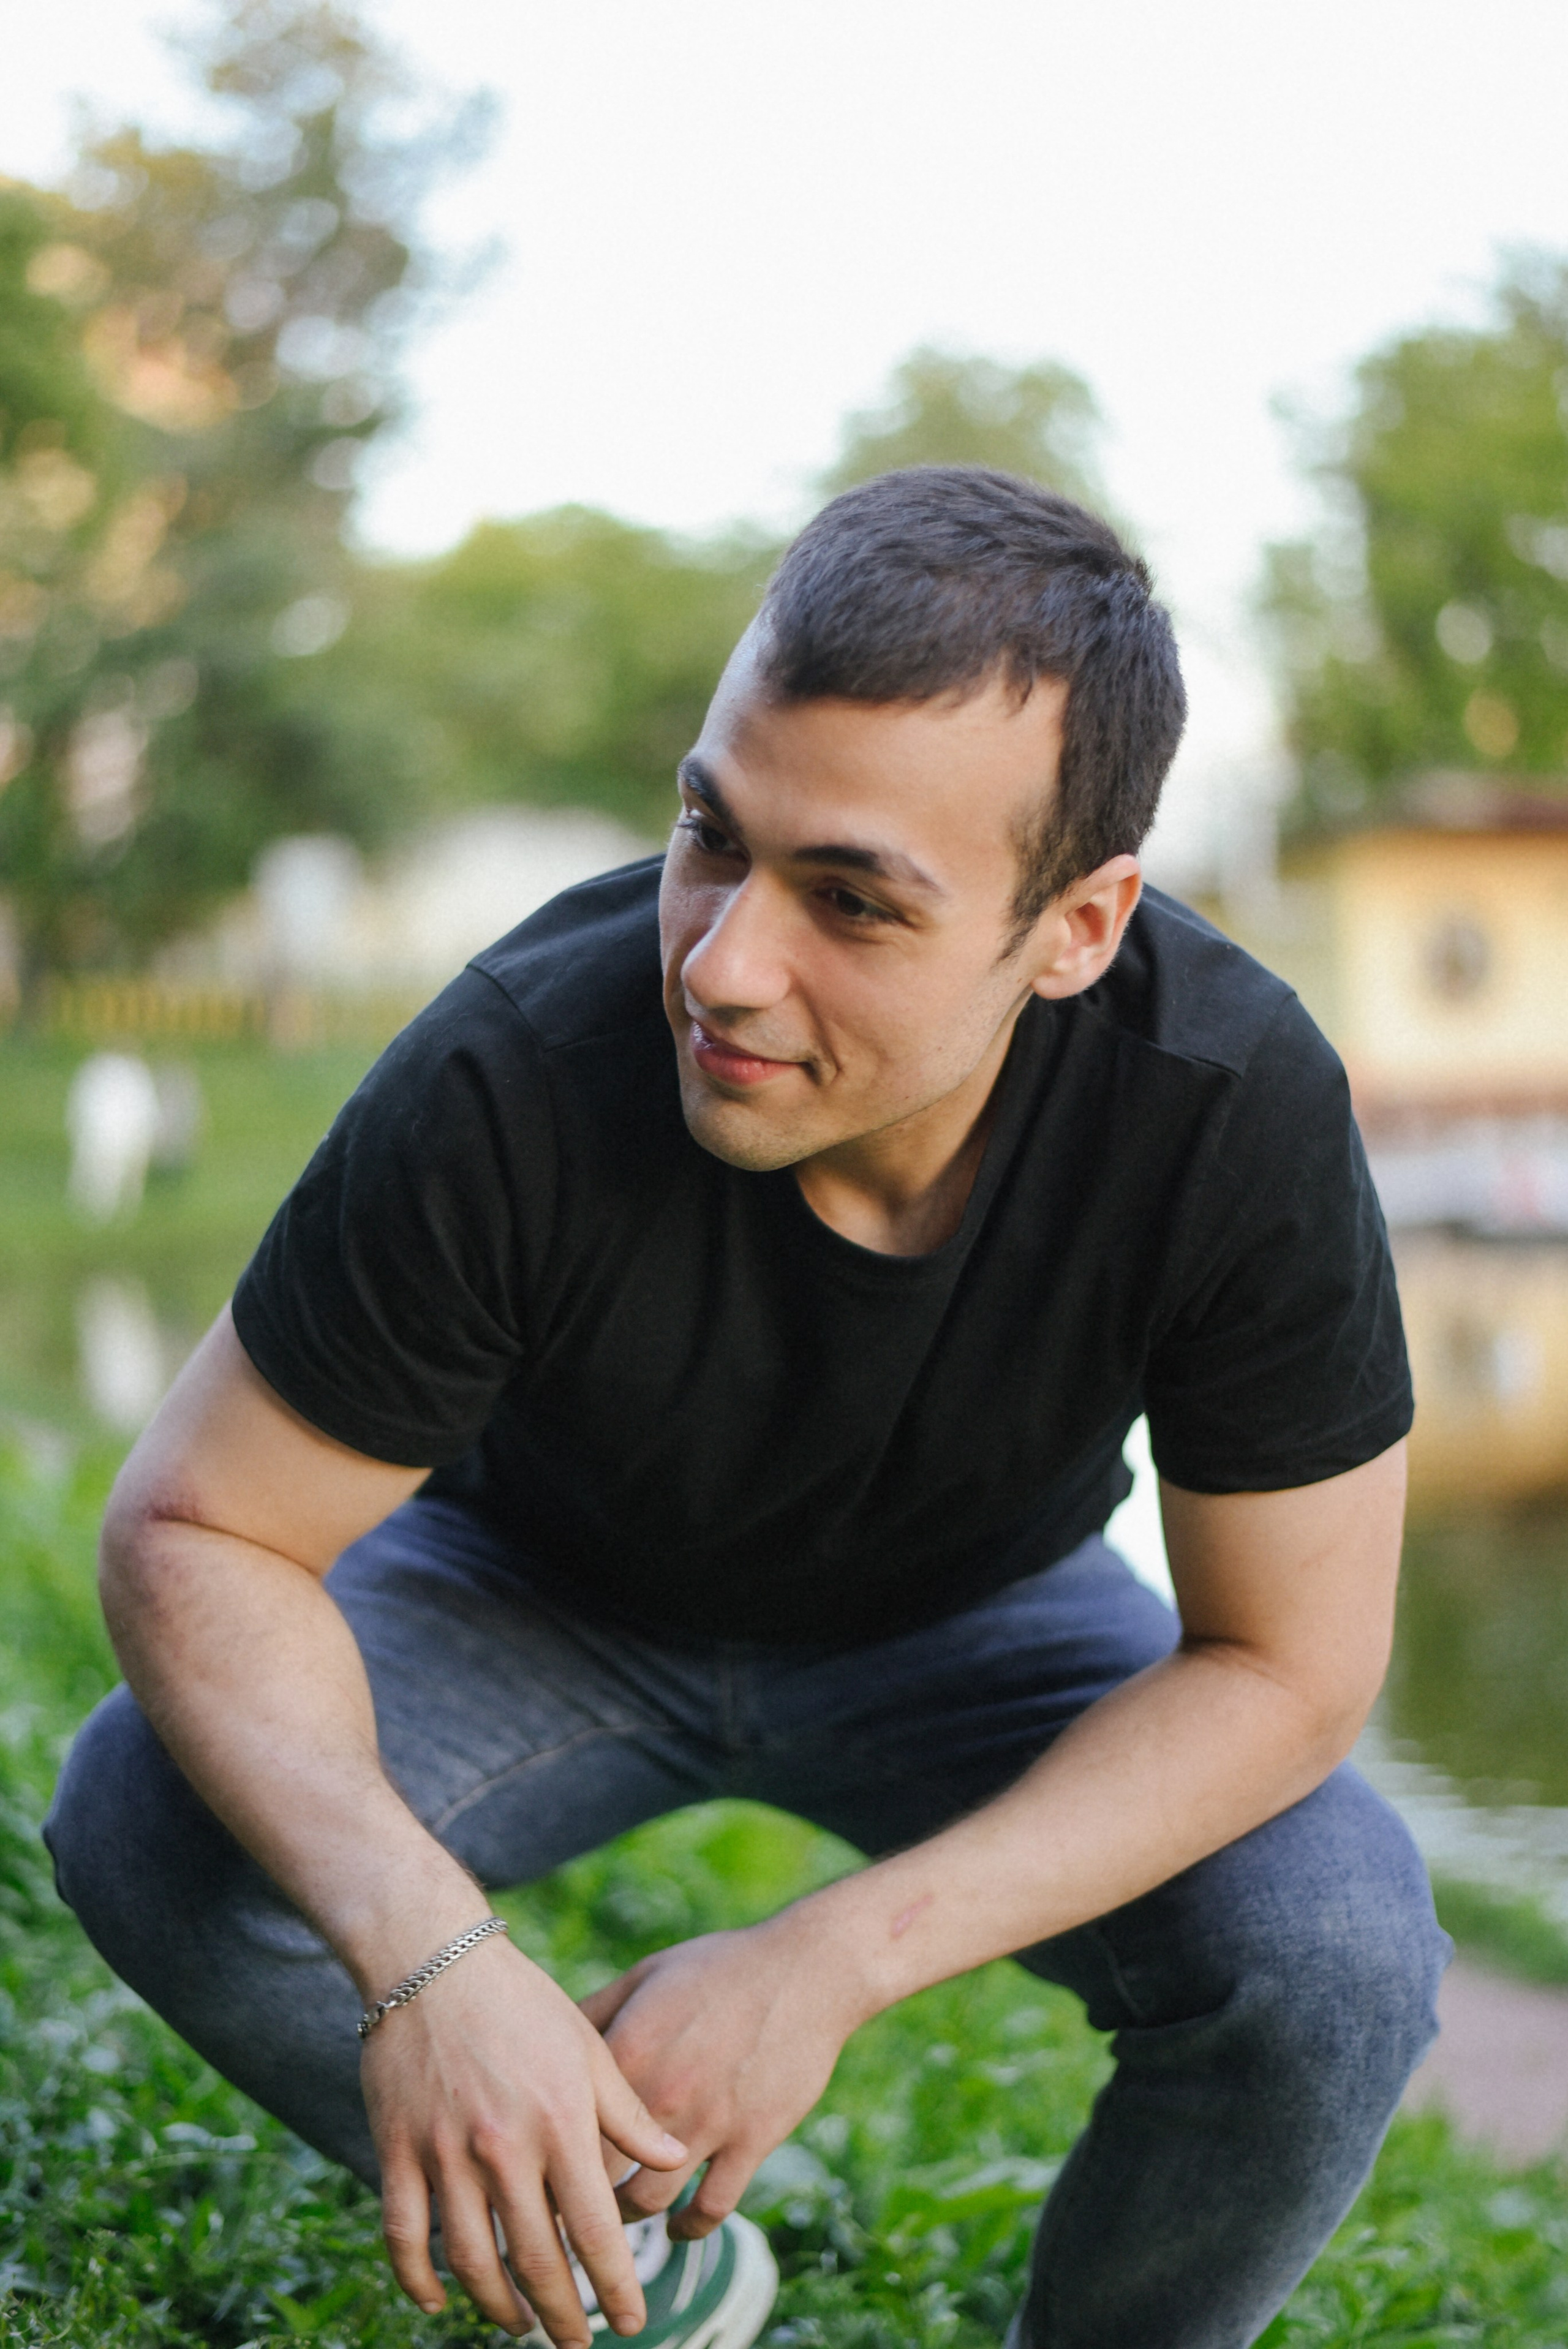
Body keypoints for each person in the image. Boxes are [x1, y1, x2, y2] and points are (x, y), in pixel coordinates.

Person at [45, 467, 1447, 2349]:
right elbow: (200, 1524)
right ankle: (635, 2254)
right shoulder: (518, 1064)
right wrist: (430, 1958)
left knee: (1337, 1955)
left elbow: (1293, 1662)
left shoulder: (1231, 1108)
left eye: (852, 900)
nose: (719, 963)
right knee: (150, 1814)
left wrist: (828, 1960)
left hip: (986, 1622)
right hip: (535, 1588)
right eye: (716, 832)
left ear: (1080, 925)